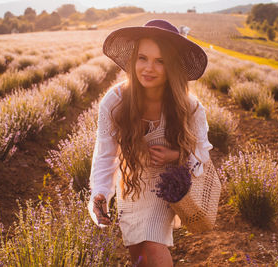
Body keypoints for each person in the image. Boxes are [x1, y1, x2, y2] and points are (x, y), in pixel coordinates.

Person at [88, 19, 212, 267]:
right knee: (139, 257)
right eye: (142, 58)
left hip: (165, 186)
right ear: (133, 60)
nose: (148, 68)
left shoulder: (189, 106)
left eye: (160, 61)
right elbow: (105, 154)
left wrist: (174, 156)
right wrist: (100, 194)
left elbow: (202, 153)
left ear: (172, 66)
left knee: (154, 247)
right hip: (130, 184)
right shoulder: (115, 101)